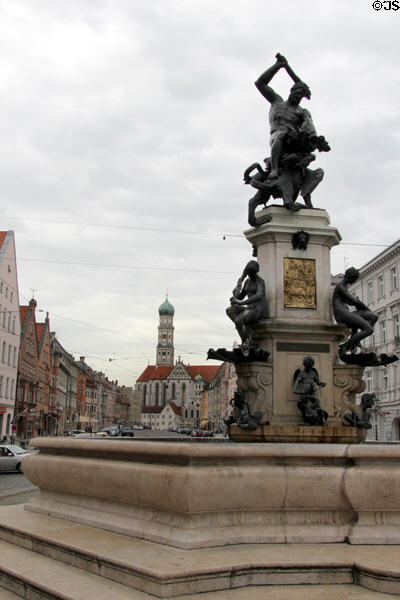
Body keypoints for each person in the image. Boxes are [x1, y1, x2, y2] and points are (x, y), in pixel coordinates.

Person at [255, 54, 317, 179]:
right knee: (280, 134)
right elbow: (260, 83)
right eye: (296, 93)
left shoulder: (302, 111)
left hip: (293, 142)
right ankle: (274, 169)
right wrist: (278, 66)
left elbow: (310, 126)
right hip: (277, 138)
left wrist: (311, 136)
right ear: (291, 91)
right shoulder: (276, 102)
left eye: (301, 96)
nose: (298, 97)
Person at [332, 267, 378, 353]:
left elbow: (352, 302)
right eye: (355, 279)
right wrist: (367, 309)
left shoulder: (344, 286)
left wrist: (367, 311)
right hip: (342, 314)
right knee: (369, 329)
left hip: (346, 312)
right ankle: (346, 346)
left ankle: (355, 340)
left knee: (373, 316)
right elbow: (355, 301)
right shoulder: (341, 286)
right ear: (351, 277)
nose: (355, 281)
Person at [226, 260, 268, 350]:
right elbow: (239, 296)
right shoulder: (247, 281)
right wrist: (241, 280)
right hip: (249, 309)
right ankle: (248, 333)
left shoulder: (260, 281)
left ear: (256, 271)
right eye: (248, 273)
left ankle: (246, 340)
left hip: (258, 309)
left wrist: (239, 303)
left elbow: (259, 296)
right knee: (230, 310)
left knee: (238, 320)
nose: (249, 275)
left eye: (251, 273)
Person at [293, 356, 327, 426]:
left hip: (312, 391)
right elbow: (297, 381)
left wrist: (322, 384)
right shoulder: (302, 373)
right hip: (304, 391)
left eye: (310, 366)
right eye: (308, 366)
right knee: (305, 406)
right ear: (305, 365)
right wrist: (295, 389)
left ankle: (321, 418)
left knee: (317, 403)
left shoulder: (313, 373)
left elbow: (318, 381)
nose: (309, 368)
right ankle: (306, 420)